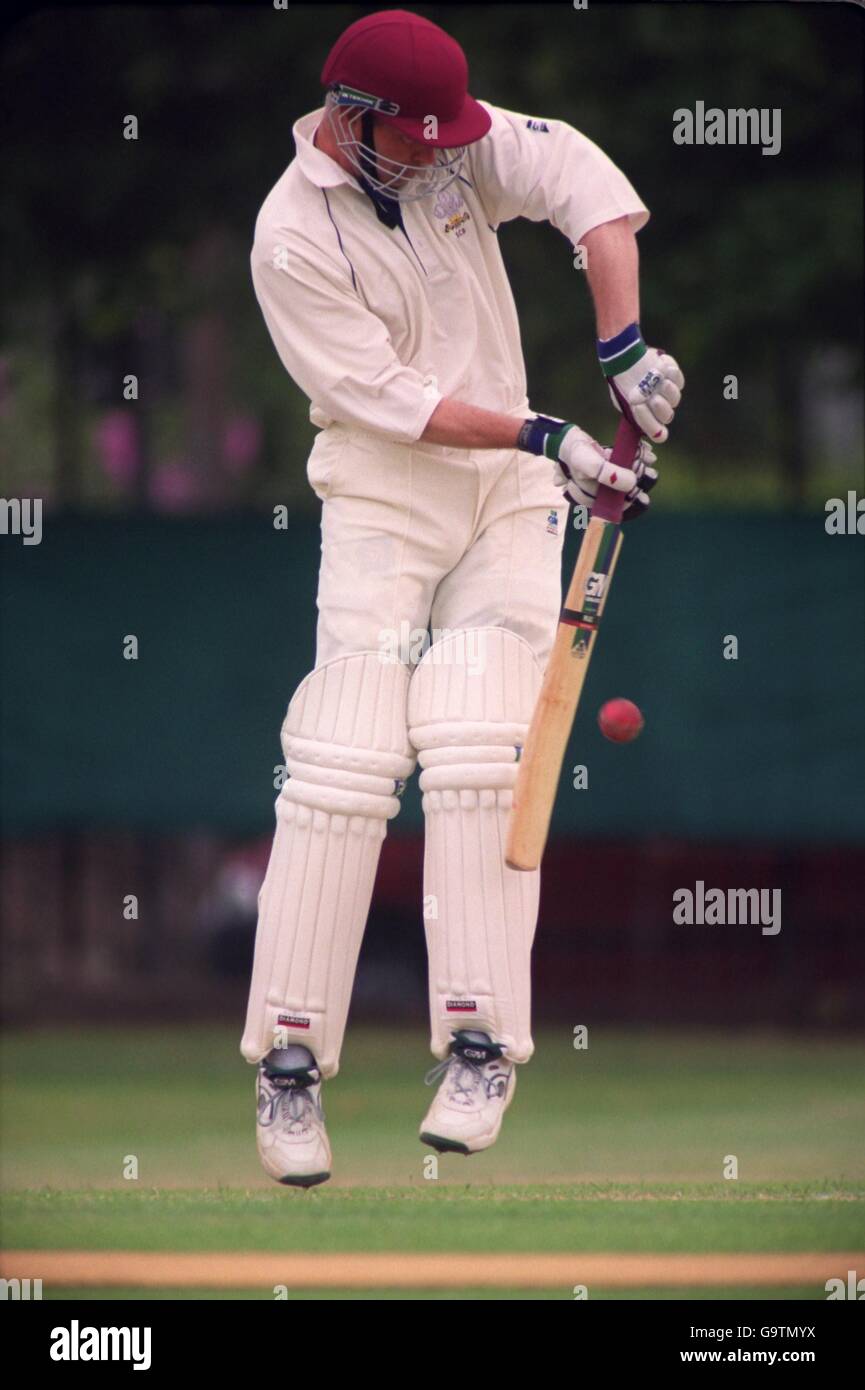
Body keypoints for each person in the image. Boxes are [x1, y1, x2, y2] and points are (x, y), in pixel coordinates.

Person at [243, 8, 683, 1186]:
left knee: (483, 746)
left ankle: (481, 1046)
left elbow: (584, 185)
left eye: (452, 137)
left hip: (505, 499)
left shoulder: (445, 143)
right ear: (353, 116)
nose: (445, 157)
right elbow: (392, 397)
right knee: (343, 755)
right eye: (421, 138)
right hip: (385, 492)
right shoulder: (288, 239)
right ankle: (288, 1069)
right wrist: (557, 434)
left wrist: (624, 349)